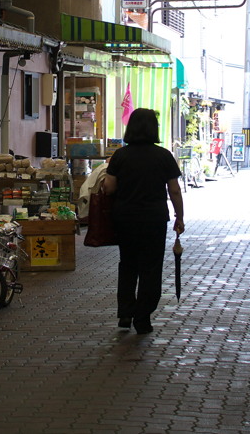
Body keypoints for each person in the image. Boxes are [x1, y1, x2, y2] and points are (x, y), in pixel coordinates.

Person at [103, 108, 184, 334]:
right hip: (154, 218)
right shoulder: (163, 156)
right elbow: (174, 191)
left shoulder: (120, 155)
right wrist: (180, 216)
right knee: (150, 267)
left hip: (125, 218)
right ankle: (143, 317)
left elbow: (109, 187)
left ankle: (125, 313)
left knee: (127, 265)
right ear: (153, 129)